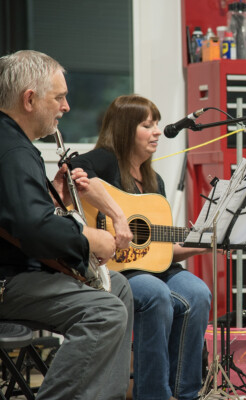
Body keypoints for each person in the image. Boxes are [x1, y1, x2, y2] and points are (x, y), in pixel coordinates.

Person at [0, 50, 134, 399]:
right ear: (29, 99)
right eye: (59, 97)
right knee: (104, 313)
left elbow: (18, 216)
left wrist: (55, 197)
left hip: (18, 271)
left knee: (117, 287)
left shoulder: (14, 144)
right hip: (6, 280)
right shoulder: (12, 150)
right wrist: (89, 241)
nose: (66, 107)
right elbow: (34, 231)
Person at [71, 94, 212, 400]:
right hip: (115, 270)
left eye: (157, 124)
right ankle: (153, 394)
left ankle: (185, 392)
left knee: (199, 292)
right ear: (124, 130)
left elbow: (160, 250)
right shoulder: (106, 161)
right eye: (148, 125)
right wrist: (117, 216)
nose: (158, 131)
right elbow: (74, 168)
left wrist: (201, 245)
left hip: (155, 269)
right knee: (155, 294)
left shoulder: (154, 181)